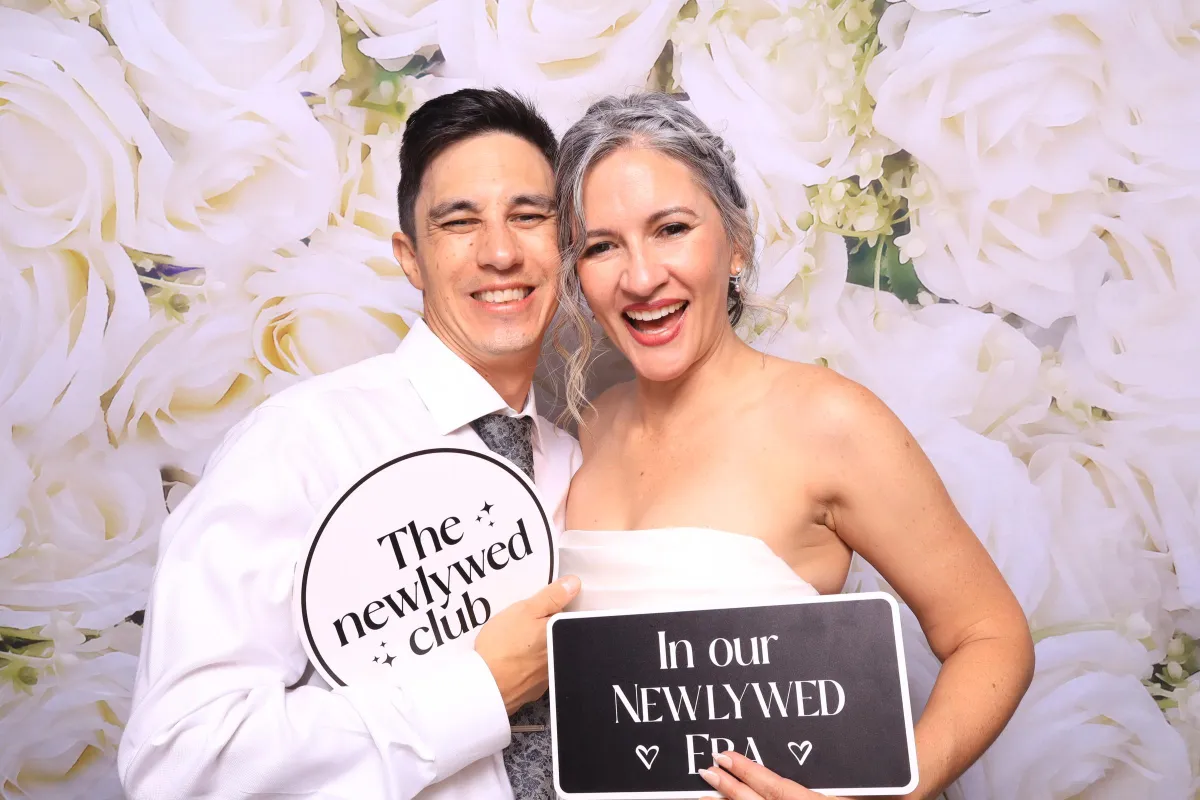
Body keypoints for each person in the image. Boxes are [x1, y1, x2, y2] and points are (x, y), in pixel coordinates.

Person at [552, 93, 1035, 800]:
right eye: (602, 246)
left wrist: (897, 794)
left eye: (672, 229)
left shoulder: (830, 422)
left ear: (736, 243)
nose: (641, 276)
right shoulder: (585, 428)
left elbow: (992, 635)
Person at [118, 88, 581, 800]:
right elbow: (180, 762)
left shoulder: (580, 467)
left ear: (565, 242)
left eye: (528, 217)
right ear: (411, 257)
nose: (499, 251)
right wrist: (475, 692)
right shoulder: (300, 446)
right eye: (460, 223)